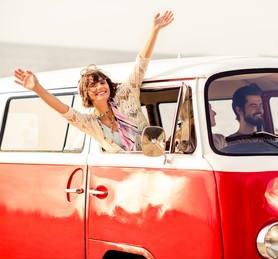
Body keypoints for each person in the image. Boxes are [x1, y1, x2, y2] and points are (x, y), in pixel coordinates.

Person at [13, 10, 174, 152]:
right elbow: (65, 111)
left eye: (102, 82)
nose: (100, 87)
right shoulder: (91, 124)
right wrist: (37, 88)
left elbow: (140, 65)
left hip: (152, 167)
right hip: (124, 176)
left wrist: (155, 30)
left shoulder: (125, 96)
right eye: (93, 85)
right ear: (87, 94)